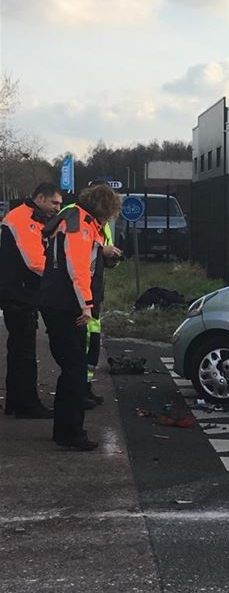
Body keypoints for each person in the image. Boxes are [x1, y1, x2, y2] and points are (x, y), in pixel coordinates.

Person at [40, 184, 120, 450]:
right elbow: (78, 268)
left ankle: (64, 430)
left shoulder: (73, 217)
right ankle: (72, 433)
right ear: (104, 207)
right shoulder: (80, 225)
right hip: (66, 305)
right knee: (74, 371)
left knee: (70, 369)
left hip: (57, 302)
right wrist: (86, 306)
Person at [0, 183, 63, 418]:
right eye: (54, 203)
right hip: (18, 293)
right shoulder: (23, 219)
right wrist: (59, 279)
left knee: (19, 348)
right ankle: (26, 404)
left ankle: (16, 402)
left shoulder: (30, 216)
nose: (58, 208)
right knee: (24, 350)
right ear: (39, 198)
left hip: (19, 291)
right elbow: (34, 261)